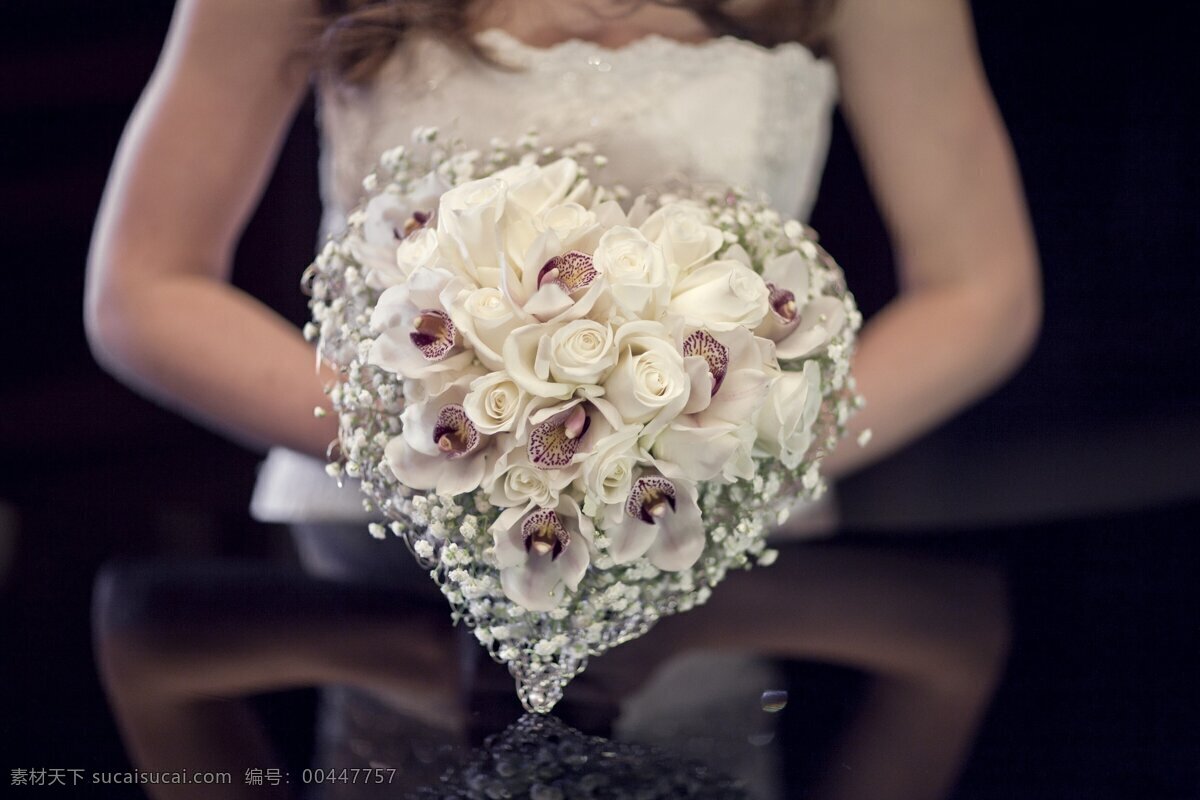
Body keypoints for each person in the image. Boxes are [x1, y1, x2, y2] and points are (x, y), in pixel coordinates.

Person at [85, 1, 1040, 798]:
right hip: (375, 559)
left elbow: (982, 289)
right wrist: (440, 449)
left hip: (719, 559)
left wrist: (723, 461)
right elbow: (143, 287)